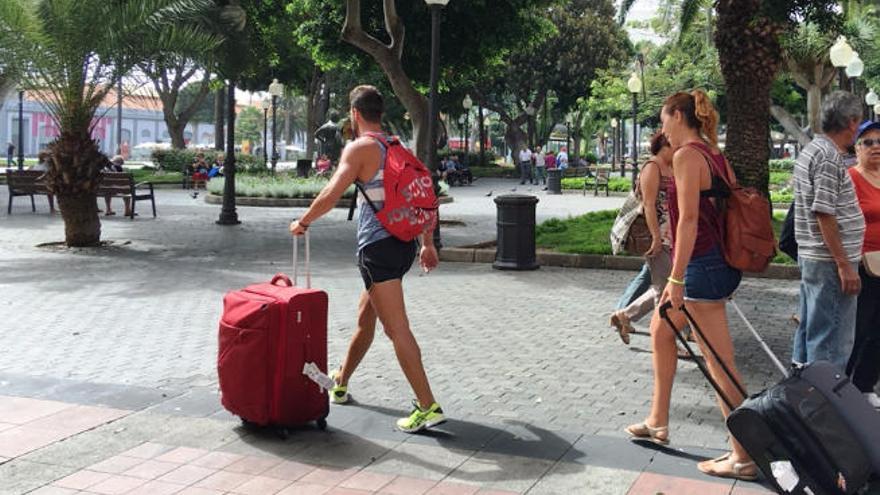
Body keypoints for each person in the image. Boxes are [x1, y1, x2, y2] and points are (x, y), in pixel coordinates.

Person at [289, 85, 445, 433]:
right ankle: (341, 383)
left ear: (354, 113)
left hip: (378, 249)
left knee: (396, 328)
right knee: (365, 319)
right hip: (402, 244)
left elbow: (332, 192)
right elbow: (418, 194)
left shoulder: (360, 148)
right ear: (380, 112)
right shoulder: (395, 145)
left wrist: (303, 222)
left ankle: (428, 405)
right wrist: (427, 243)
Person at [626, 90, 755, 481]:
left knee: (719, 363)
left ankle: (744, 455)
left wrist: (677, 278)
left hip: (700, 266)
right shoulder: (714, 155)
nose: (661, 127)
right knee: (661, 331)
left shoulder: (685, 157)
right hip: (716, 262)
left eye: (664, 118)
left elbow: (688, 221)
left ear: (678, 116)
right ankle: (657, 421)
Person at [793, 91, 865, 371]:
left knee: (812, 332)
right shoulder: (827, 157)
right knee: (831, 341)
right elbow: (824, 212)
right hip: (828, 262)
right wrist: (844, 265)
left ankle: (802, 400)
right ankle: (822, 409)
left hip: (817, 258)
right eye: (857, 123)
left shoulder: (813, 149)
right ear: (850, 122)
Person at [610, 132, 674, 345]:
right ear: (665, 145)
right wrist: (656, 238)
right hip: (658, 238)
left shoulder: (671, 166)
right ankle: (666, 343)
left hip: (672, 237)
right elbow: (648, 205)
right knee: (664, 291)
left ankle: (625, 315)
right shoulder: (652, 167)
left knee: (663, 287)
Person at [845, 120, 880, 409]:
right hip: (861, 265)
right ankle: (841, 385)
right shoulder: (850, 179)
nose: (875, 147)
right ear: (856, 147)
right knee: (858, 327)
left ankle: (865, 384)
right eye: (867, 141)